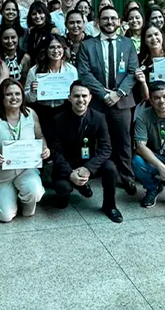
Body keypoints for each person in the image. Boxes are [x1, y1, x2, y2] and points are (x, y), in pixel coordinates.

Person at [77, 5, 139, 195]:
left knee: (124, 142)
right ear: (98, 22)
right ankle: (87, 177)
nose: (109, 22)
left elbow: (132, 72)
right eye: (105, 18)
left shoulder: (128, 44)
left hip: (122, 102)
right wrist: (104, 94)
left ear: (119, 22)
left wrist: (118, 93)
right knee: (89, 140)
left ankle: (127, 177)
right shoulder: (87, 45)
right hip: (96, 102)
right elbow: (84, 73)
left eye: (113, 18)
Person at [49, 81, 123, 223]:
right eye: (76, 96)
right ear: (69, 98)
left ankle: (110, 206)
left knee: (110, 168)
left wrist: (88, 169)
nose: (80, 100)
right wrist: (70, 173)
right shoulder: (58, 119)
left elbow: (105, 148)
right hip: (68, 164)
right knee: (62, 191)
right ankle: (74, 188)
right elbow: (56, 152)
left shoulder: (99, 118)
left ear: (90, 98)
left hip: (89, 162)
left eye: (84, 96)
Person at [0, 79, 48, 222]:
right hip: (3, 174)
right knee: (6, 216)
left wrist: (45, 148)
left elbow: (40, 136)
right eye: (9, 94)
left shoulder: (31, 114)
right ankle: (9, 196)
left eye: (17, 94)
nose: (14, 98)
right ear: (2, 97)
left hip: (26, 170)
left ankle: (24, 198)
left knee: (33, 195)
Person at [25, 34, 79, 123]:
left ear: (64, 49)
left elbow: (76, 93)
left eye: (59, 47)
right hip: (42, 112)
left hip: (65, 111)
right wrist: (32, 91)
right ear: (46, 49)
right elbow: (27, 99)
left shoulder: (71, 70)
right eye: (52, 47)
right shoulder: (34, 71)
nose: (56, 50)